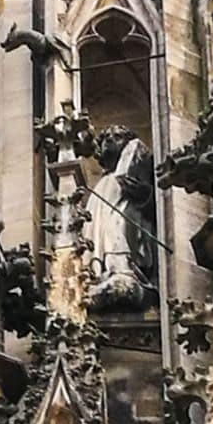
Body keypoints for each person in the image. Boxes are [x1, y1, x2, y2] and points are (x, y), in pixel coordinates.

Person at [84, 125, 156, 311]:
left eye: (116, 137)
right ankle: (98, 270)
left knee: (117, 226)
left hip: (126, 215)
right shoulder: (101, 184)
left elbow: (148, 207)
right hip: (105, 197)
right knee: (99, 228)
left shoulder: (134, 174)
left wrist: (143, 194)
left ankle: (122, 266)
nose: (109, 140)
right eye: (106, 137)